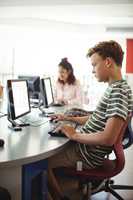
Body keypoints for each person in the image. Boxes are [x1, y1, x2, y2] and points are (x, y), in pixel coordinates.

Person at [48, 40, 133, 200]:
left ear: (107, 62)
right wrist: (68, 118)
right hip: (86, 148)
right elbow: (95, 118)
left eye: (94, 65)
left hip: (86, 154)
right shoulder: (115, 88)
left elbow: (108, 138)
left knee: (40, 162)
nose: (92, 70)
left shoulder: (118, 92)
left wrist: (74, 135)